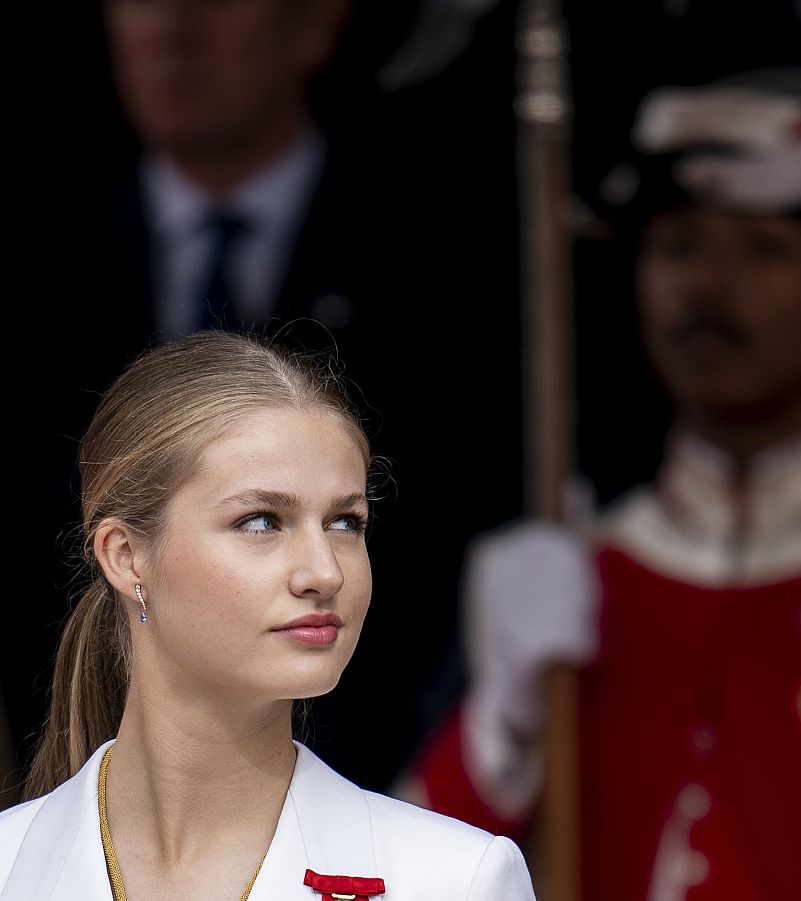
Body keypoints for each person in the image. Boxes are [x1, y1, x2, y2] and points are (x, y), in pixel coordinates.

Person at [404, 72, 801, 901]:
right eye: (676, 245)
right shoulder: (559, 577)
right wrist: (499, 726)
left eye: (762, 248)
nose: (706, 284)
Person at [6, 0, 524, 791]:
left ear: (316, 21)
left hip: (381, 797)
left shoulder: (443, 259)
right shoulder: (33, 258)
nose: (171, 27)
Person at [0, 332, 535, 900]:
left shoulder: (457, 880)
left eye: (345, 522)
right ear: (125, 555)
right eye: (261, 522)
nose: (325, 572)